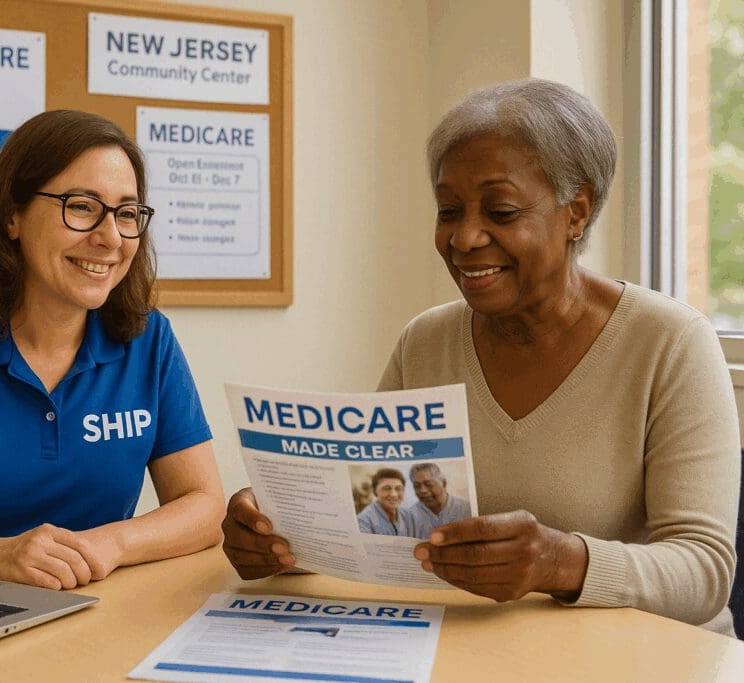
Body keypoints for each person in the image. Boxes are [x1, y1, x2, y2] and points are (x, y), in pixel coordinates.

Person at [219, 79, 740, 635]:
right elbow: (378, 532)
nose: (464, 237)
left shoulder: (671, 343)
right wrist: (281, 537)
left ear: (577, 213)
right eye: (449, 210)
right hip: (474, 650)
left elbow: (704, 573)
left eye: (502, 211)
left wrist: (558, 562)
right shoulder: (425, 343)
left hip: (641, 659)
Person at [0, 110, 225, 592]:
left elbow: (204, 505)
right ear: (13, 215)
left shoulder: (148, 339)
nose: (111, 238)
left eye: (127, 213)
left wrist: (107, 545)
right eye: (82, 206)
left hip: (97, 607)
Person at [407, 463, 472, 538]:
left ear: (444, 484)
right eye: (417, 486)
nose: (423, 490)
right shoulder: (410, 515)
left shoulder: (466, 508)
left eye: (429, 484)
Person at [356, 468, 415, 536]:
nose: (393, 494)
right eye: (386, 488)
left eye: (398, 488)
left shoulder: (408, 516)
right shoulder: (364, 520)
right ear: (375, 491)